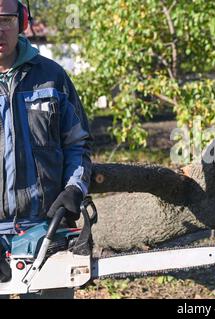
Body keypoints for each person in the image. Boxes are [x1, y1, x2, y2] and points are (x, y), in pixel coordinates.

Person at [0, 0, 92, 299]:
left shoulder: (51, 77)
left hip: (44, 229)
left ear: (22, 20)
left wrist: (74, 190)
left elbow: (77, 143)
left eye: (6, 19)